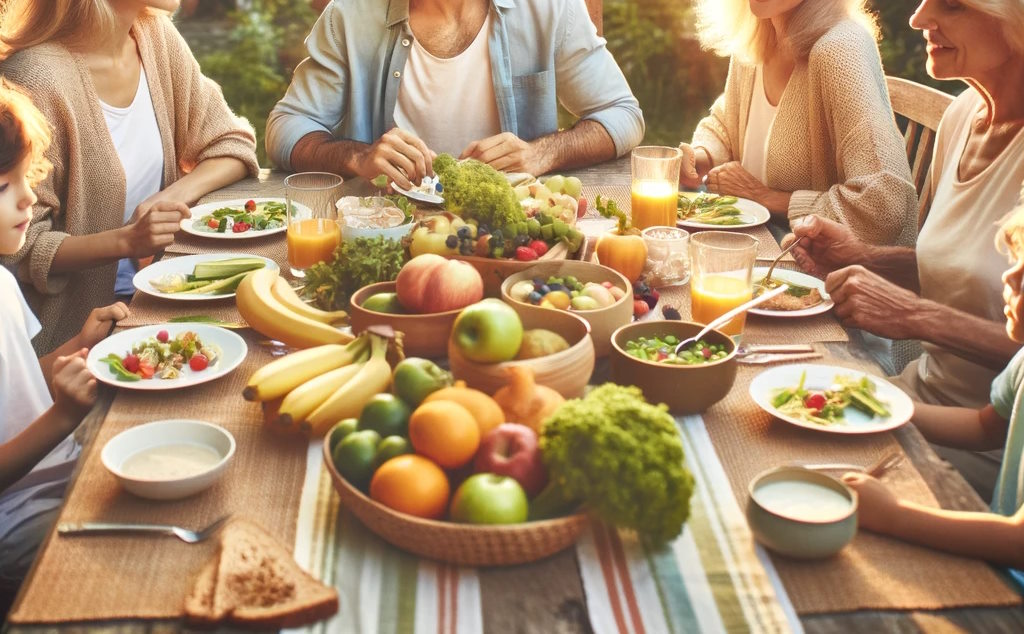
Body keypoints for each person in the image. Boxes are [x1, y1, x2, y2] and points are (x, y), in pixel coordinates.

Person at [785, 0, 1024, 499]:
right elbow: (958, 267)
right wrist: (862, 256)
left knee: (803, 475)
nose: (917, 19)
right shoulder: (962, 116)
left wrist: (917, 318)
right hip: (919, 393)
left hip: (995, 449)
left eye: (952, 6)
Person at [0, 0, 259, 355]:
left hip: (159, 297)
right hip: (76, 341)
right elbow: (23, 249)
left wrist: (170, 197)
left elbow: (232, 143)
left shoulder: (154, 36)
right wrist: (126, 241)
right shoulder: (34, 77)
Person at [265, 0, 644, 189]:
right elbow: (286, 130)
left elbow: (622, 113)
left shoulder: (549, 7)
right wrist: (357, 157)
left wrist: (541, 153)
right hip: (388, 231)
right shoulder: (350, 14)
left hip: (514, 235)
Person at [841, 199, 1024, 586]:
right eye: (1016, 260)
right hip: (990, 549)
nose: (1009, 280)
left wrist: (894, 515)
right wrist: (880, 403)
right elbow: (982, 426)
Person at [0, 79, 128, 590]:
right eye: (4, 186)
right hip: (18, 518)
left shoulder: (3, 282)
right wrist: (64, 416)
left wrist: (76, 345)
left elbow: (16, 383)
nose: (31, 198)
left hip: (59, 466)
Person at [678, 0, 917, 246]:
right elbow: (727, 122)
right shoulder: (758, 36)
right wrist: (699, 157)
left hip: (834, 273)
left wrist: (766, 198)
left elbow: (883, 206)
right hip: (761, 244)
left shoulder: (842, 48)